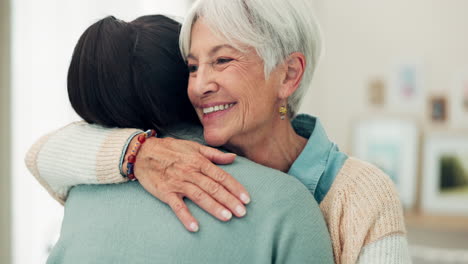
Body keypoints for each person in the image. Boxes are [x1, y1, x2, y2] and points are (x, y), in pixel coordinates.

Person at [27, 0, 411, 263]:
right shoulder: (166, 162)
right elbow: (40, 155)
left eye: (222, 60)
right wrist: (136, 154)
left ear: (289, 74)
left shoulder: (362, 193)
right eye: (193, 67)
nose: (199, 86)